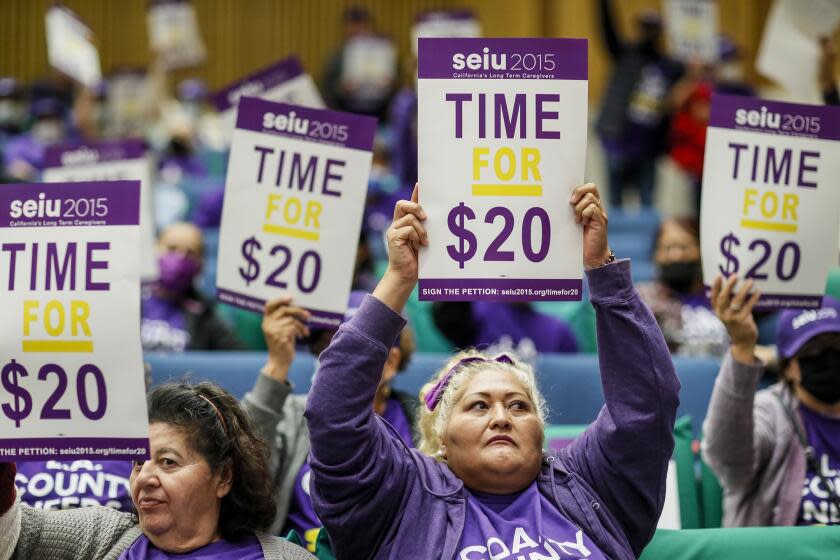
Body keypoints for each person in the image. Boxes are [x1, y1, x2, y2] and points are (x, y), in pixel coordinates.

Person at [304, 184, 680, 559]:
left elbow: (646, 404)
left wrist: (603, 268)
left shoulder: (591, 487)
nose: (502, 417)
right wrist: (399, 279)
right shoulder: (400, 500)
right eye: (479, 406)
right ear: (440, 441)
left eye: (518, 406)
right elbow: (333, 414)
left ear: (541, 432)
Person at [0, 382, 315, 559]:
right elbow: (13, 537)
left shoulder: (286, 558)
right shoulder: (103, 535)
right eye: (139, 463)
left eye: (168, 462)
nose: (145, 478)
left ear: (223, 477)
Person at [242, 291, 417, 550]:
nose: (331, 361)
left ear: (390, 363)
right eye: (325, 347)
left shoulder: (422, 422)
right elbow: (240, 469)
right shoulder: (292, 413)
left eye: (348, 350)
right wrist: (277, 364)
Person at [702, 276, 840, 526]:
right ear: (788, 368)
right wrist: (743, 347)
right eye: (812, 352)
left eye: (836, 346)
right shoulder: (771, 411)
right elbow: (730, 463)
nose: (827, 359)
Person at [596, 0, 683, 208]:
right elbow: (608, 30)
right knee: (614, 203)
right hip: (617, 138)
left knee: (647, 203)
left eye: (653, 28)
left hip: (649, 146)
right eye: (645, 27)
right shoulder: (625, 55)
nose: (648, 32)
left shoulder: (670, 66)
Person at [141, 222, 243, 351]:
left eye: (190, 252)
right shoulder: (131, 299)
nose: (180, 256)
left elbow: (239, 359)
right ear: (155, 250)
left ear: (201, 264)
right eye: (172, 248)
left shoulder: (207, 314)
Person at [636, 217, 729, 356]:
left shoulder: (721, 297)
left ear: (701, 250)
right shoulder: (642, 299)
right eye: (667, 248)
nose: (676, 256)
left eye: (684, 247)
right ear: (656, 255)